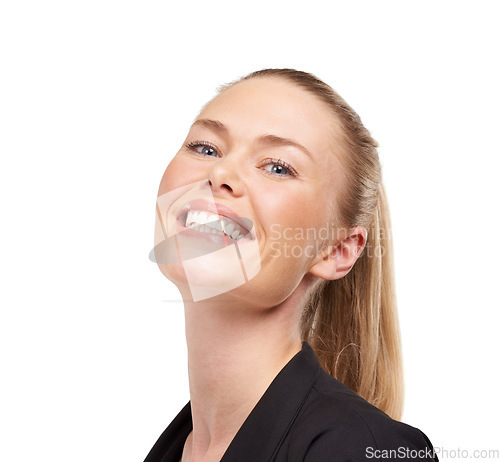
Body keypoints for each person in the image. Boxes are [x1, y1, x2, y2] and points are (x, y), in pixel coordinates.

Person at [145, 68, 438, 461]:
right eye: (206, 148)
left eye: (277, 167)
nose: (219, 173)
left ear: (337, 250)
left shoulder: (363, 450)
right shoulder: (175, 449)